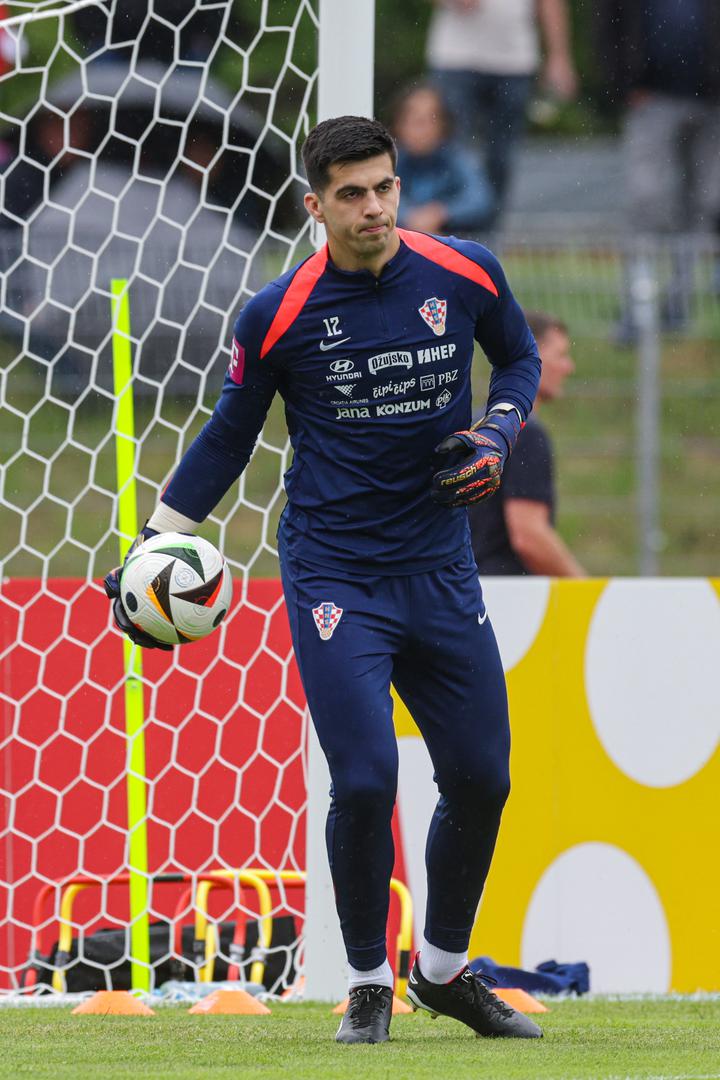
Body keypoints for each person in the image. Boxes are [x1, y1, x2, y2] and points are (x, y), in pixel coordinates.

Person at [104, 115, 543, 1044]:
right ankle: (367, 982)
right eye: (352, 193)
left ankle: (445, 971)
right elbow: (228, 436)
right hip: (336, 571)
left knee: (483, 776)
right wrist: (152, 546)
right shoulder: (278, 311)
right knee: (368, 776)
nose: (375, 207)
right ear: (317, 204)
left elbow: (519, 358)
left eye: (384, 186)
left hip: (439, 563)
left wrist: (498, 434)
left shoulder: (465, 270)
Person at [593, 1, 720, 339]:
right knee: (648, 201)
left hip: (710, 101)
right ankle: (638, 309)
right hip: (651, 98)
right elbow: (608, 24)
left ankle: (679, 306)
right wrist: (622, 82)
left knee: (703, 205)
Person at [426, 0, 577, 224]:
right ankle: (445, 233)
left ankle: (489, 237)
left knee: (502, 159)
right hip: (456, 59)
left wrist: (559, 56)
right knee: (450, 151)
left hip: (515, 62)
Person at [470, 311, 584, 576]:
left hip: (464, 590)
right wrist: (584, 589)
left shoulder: (475, 425)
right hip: (511, 597)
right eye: (560, 355)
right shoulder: (526, 433)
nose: (569, 367)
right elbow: (529, 536)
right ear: (531, 357)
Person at [392, 83, 495, 235]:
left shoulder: (458, 159)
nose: (420, 129)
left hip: (450, 241)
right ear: (399, 124)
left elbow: (481, 201)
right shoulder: (390, 161)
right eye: (413, 119)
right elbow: (375, 199)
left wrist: (441, 213)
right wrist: (410, 216)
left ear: (443, 125)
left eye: (428, 120)